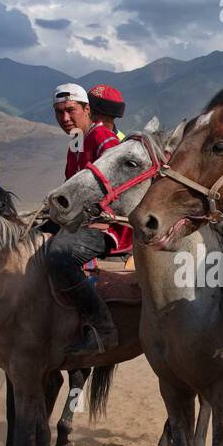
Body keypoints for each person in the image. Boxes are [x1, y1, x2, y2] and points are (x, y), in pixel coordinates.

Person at [49, 82, 126, 356]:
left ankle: (102, 327)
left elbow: (120, 187)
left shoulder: (104, 138)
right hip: (82, 220)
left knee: (59, 256)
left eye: (70, 110)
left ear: (87, 110)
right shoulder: (77, 141)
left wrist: (99, 217)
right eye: (59, 112)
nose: (65, 118)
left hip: (112, 225)